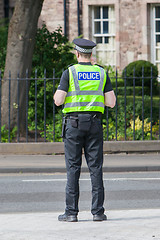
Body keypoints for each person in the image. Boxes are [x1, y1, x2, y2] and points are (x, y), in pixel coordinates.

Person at [54, 38, 116, 222]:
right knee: (96, 168)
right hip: (95, 124)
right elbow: (111, 103)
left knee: (73, 168)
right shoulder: (101, 73)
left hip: (73, 125)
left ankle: (71, 213)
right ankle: (98, 212)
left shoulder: (70, 72)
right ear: (91, 55)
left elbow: (58, 100)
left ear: (77, 53)